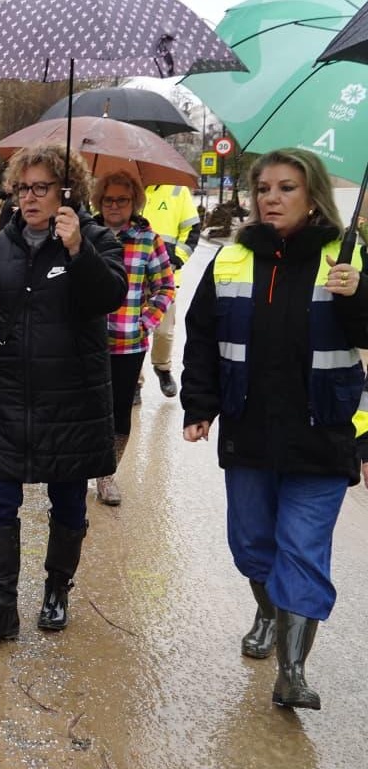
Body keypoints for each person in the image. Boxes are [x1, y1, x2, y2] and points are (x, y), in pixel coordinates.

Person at [181, 148, 368, 711]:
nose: (272, 198)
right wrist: (199, 406)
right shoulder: (232, 259)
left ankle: (292, 671)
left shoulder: (349, 259)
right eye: (264, 188)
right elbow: (202, 336)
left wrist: (361, 294)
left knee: (304, 551)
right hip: (251, 431)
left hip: (324, 432)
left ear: (311, 196)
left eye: (286, 188)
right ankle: (268, 608)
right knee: (252, 545)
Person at [0, 144, 127, 644]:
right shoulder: (3, 243)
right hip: (12, 395)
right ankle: (1, 607)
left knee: (69, 501)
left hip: (72, 399)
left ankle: (56, 592)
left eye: (41, 188)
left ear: (65, 189)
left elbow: (109, 296)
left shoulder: (94, 238)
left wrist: (78, 250)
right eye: (22, 188)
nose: (29, 198)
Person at [90, 171, 175, 506]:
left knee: (118, 411)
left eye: (121, 200)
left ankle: (106, 476)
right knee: (81, 407)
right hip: (86, 341)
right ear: (99, 200)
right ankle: (71, 473)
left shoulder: (146, 238)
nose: (114, 205)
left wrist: (146, 321)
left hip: (128, 342)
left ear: (134, 202)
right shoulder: (85, 233)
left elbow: (165, 286)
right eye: (108, 199)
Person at [142, 183, 201, 398]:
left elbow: (192, 229)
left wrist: (177, 259)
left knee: (164, 332)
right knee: (132, 331)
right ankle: (135, 383)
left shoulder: (177, 190)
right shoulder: (128, 187)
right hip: (132, 275)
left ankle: (162, 367)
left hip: (166, 276)